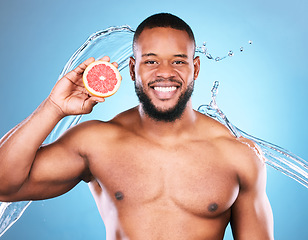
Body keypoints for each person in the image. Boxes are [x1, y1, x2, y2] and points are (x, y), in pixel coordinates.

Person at [0, 13, 274, 239]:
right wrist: (54, 107)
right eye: (151, 61)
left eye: (178, 61)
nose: (165, 72)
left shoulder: (237, 155)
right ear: (132, 69)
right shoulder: (98, 141)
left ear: (196, 68)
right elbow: (5, 185)